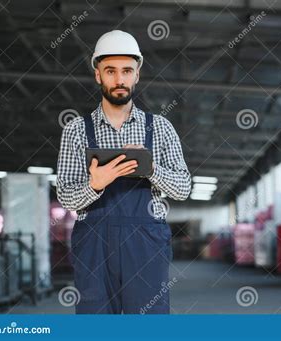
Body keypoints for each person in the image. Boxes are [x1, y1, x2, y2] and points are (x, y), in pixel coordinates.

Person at [56, 30, 191, 314]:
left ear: (137, 75)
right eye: (111, 71)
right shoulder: (76, 131)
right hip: (94, 243)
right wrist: (94, 185)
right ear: (98, 75)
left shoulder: (161, 128)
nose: (119, 80)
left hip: (145, 243)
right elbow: (66, 197)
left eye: (127, 71)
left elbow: (183, 187)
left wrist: (152, 169)